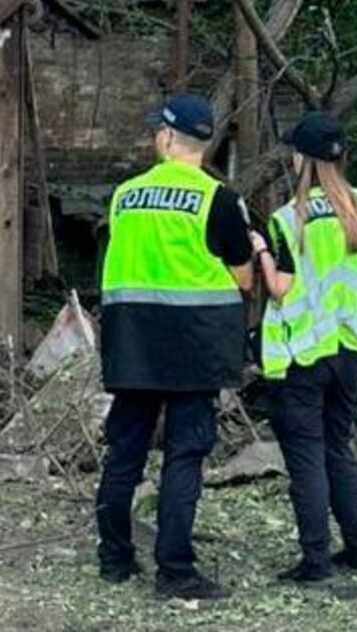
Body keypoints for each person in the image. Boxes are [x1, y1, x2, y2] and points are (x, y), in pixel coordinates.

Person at [94, 93, 255, 601]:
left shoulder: (124, 195)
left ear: (166, 137)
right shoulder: (219, 199)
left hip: (133, 345)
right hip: (195, 347)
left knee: (124, 454)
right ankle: (175, 571)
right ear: (204, 144)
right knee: (184, 459)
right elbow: (243, 277)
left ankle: (114, 559)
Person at [249, 111, 357, 584]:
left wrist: (261, 249)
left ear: (300, 160)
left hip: (301, 357)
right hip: (351, 347)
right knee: (339, 448)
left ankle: (314, 562)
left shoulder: (289, 220)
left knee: (307, 457)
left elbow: (281, 287)